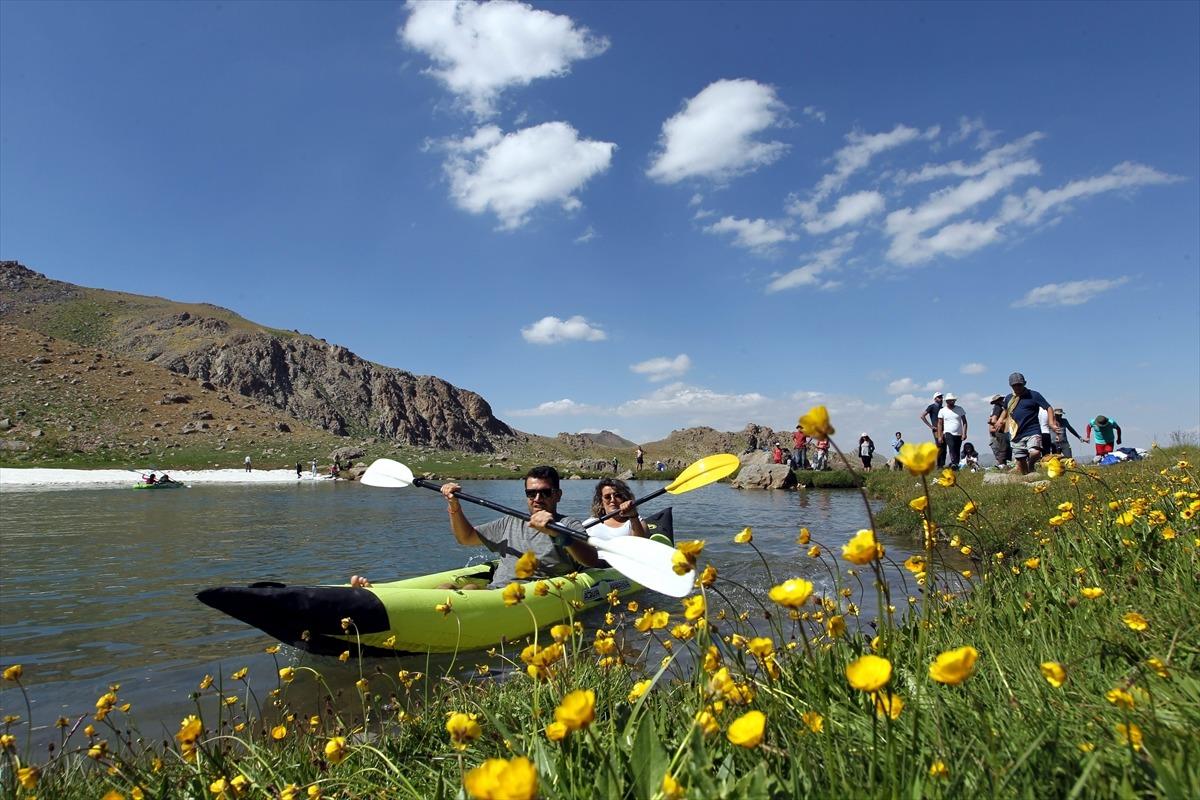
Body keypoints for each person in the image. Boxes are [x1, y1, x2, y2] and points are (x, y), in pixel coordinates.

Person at [350, 466, 600, 590]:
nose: (537, 498)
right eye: (531, 493)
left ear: (557, 495)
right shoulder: (509, 520)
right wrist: (454, 505)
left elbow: (590, 560)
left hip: (535, 595)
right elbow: (466, 538)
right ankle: (376, 593)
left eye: (545, 492)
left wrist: (556, 534)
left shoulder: (569, 525)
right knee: (449, 588)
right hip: (497, 591)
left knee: (468, 590)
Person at [994, 372, 1060, 475]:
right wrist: (999, 420)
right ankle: (1027, 474)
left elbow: (1048, 407)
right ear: (1010, 385)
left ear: (1025, 383)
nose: (1017, 387)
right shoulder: (1009, 398)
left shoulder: (1034, 395)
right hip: (1016, 433)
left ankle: (1031, 464)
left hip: (1032, 430)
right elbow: (1005, 410)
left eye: (1019, 385)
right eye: (1014, 385)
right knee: (1021, 460)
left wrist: (1051, 423)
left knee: (1035, 452)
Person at [583, 478, 648, 540]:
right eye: (607, 497)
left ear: (624, 498)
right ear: (601, 502)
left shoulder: (636, 520)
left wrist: (633, 516)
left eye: (617, 496)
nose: (613, 500)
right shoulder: (590, 524)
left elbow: (640, 545)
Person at [936, 393, 968, 469]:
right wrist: (940, 436)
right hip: (948, 432)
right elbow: (939, 424)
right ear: (946, 401)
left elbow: (965, 422)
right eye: (949, 400)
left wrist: (964, 433)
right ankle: (954, 463)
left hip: (959, 433)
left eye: (953, 400)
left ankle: (955, 464)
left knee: (957, 449)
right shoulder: (942, 410)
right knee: (952, 447)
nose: (951, 402)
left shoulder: (960, 409)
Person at [919, 392, 947, 468]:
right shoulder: (931, 407)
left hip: (944, 429)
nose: (941, 398)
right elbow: (922, 416)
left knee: (944, 446)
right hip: (936, 430)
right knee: (939, 446)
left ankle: (942, 464)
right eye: (939, 397)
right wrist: (931, 426)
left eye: (941, 397)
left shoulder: (943, 408)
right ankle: (938, 465)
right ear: (935, 399)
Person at [987, 394, 1011, 469]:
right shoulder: (998, 408)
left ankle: (1004, 464)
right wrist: (1001, 425)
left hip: (999, 431)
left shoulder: (996, 408)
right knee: (1003, 448)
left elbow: (990, 421)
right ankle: (1002, 464)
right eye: (1000, 400)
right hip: (1000, 431)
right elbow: (993, 420)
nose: (1001, 401)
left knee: (1004, 447)